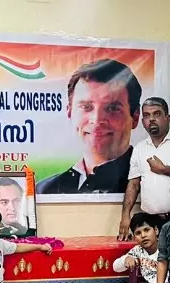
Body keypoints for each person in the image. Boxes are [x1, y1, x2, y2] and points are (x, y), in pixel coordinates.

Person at [37, 58, 141, 194]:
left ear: (135, 117)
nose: (96, 120)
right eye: (86, 107)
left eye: (112, 108)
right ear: (69, 112)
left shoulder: (149, 184)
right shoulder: (45, 191)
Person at [119, 97, 170, 238]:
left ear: (167, 118)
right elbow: (133, 184)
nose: (151, 119)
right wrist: (125, 215)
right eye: (146, 115)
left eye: (157, 114)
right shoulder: (139, 148)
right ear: (142, 122)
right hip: (150, 223)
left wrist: (164, 169)